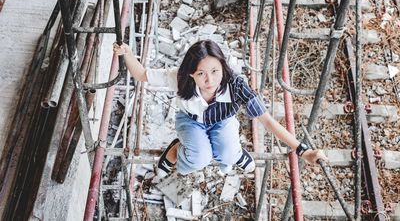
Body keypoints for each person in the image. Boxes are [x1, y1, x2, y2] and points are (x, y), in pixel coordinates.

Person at [113, 40, 327, 178]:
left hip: (222, 121)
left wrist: (304, 151)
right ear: (190, 74)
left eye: (215, 71)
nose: (210, 80)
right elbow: (143, 75)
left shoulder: (236, 85)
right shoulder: (179, 79)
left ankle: (234, 151)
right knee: (199, 159)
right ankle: (176, 150)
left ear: (223, 66)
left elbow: (268, 121)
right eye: (201, 74)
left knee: (226, 152)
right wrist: (128, 54)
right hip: (191, 121)